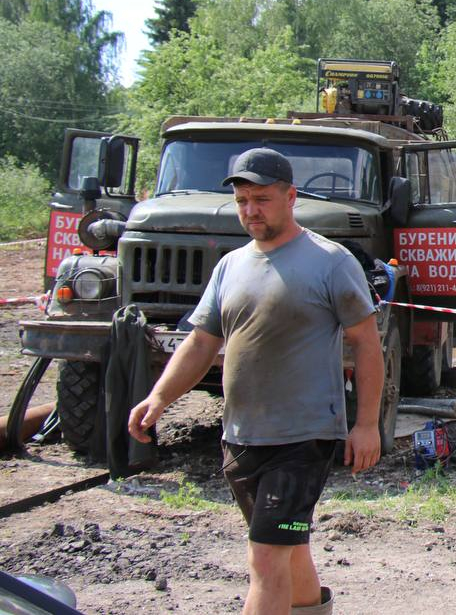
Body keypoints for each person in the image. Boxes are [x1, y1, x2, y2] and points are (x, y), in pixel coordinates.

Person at [127, 148, 385, 615]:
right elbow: (201, 343)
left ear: (290, 197)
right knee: (288, 548)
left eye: (261, 199)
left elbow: (367, 344)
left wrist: (367, 424)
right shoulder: (231, 265)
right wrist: (159, 397)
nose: (250, 210)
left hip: (304, 437)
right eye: (243, 200)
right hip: (243, 436)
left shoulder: (330, 261)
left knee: (265, 558)